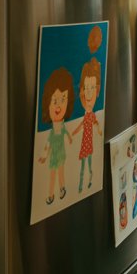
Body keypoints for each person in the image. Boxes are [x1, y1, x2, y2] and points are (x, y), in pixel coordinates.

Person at [38, 66, 75, 204]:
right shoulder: (52, 131)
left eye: (63, 99)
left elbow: (66, 133)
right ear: (48, 103)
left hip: (61, 154)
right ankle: (50, 195)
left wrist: (70, 139)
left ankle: (62, 188)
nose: (58, 106)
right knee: (53, 174)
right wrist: (44, 156)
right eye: (54, 101)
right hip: (54, 156)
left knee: (60, 172)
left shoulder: (62, 126)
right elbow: (48, 144)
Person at [71, 57, 102, 193]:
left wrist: (99, 130)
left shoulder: (92, 115)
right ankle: (82, 183)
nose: (89, 93)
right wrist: (73, 132)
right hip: (85, 142)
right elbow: (81, 125)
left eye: (92, 88)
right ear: (81, 90)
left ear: (97, 90)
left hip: (89, 142)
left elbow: (95, 124)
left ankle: (90, 178)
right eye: (86, 88)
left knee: (89, 163)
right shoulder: (86, 115)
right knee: (83, 163)